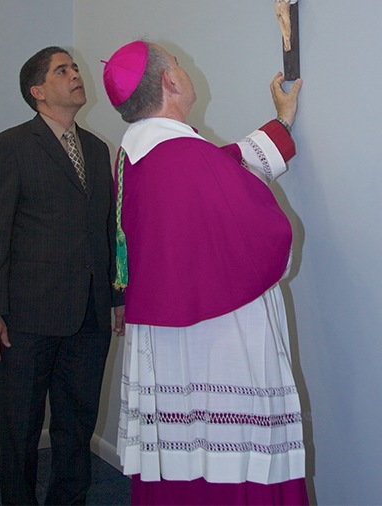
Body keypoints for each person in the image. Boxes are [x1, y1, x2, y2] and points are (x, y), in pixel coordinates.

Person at [102, 39, 309, 505]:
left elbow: (221, 164)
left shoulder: (139, 155)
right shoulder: (184, 158)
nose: (182, 68)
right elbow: (266, 234)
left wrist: (281, 123)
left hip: (167, 343)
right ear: (170, 81)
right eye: (177, 63)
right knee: (229, 461)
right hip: (218, 342)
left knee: (181, 460)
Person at [0, 46, 125, 505]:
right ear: (37, 91)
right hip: (27, 316)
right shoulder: (10, 146)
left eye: (75, 67)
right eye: (62, 70)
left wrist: (117, 296)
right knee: (21, 427)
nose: (76, 75)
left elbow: (107, 229)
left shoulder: (99, 151)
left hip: (89, 315)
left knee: (77, 423)